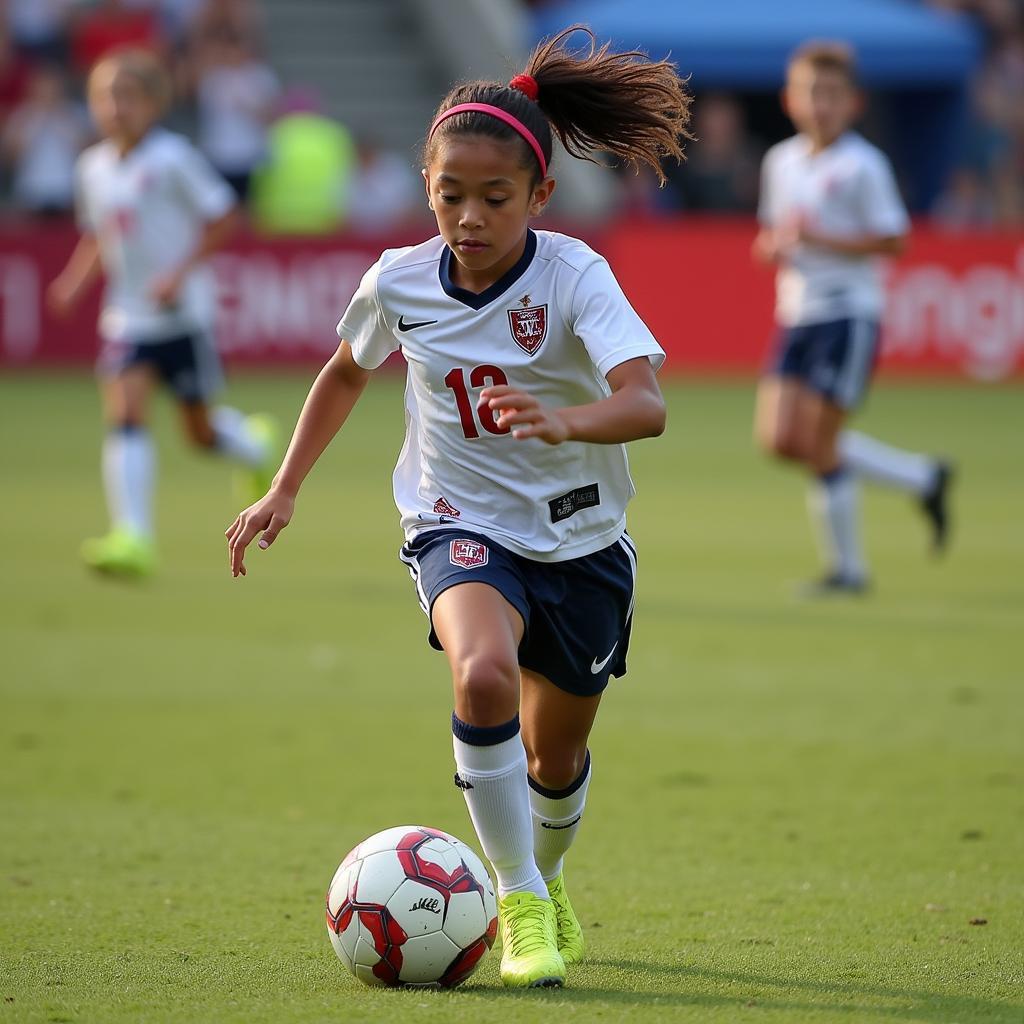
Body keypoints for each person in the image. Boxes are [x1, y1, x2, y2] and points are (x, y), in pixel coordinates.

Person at [226, 25, 691, 988]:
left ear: (540, 197)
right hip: (456, 521)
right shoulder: (398, 279)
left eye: (494, 199)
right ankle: (517, 898)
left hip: (582, 541)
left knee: (553, 758)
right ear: (425, 186)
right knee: (481, 676)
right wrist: (284, 486)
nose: (469, 218)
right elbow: (344, 374)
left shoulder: (574, 275)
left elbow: (646, 404)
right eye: (449, 196)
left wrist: (567, 423)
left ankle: (547, 876)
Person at [48, 48, 276, 578]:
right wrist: (75, 283)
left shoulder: (172, 158)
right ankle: (134, 538)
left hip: (182, 317)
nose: (114, 108)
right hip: (128, 318)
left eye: (127, 96)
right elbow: (104, 234)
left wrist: (180, 272)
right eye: (104, 97)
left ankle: (250, 444)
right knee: (125, 412)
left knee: (198, 434)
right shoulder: (94, 167)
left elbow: (223, 218)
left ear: (154, 103)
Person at [753, 42, 953, 595]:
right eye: (810, 92)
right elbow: (775, 233)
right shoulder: (782, 161)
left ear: (854, 102)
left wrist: (823, 240)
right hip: (797, 312)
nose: (821, 104)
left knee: (818, 442)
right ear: (789, 100)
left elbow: (895, 238)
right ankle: (923, 477)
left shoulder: (864, 165)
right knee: (777, 438)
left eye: (832, 94)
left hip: (847, 312)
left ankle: (848, 571)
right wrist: (772, 247)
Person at [2, 64, 90, 216]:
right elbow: (11, 159)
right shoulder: (21, 117)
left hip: (69, 193)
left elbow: (87, 151)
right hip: (31, 194)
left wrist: (61, 119)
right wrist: (34, 122)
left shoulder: (76, 113)